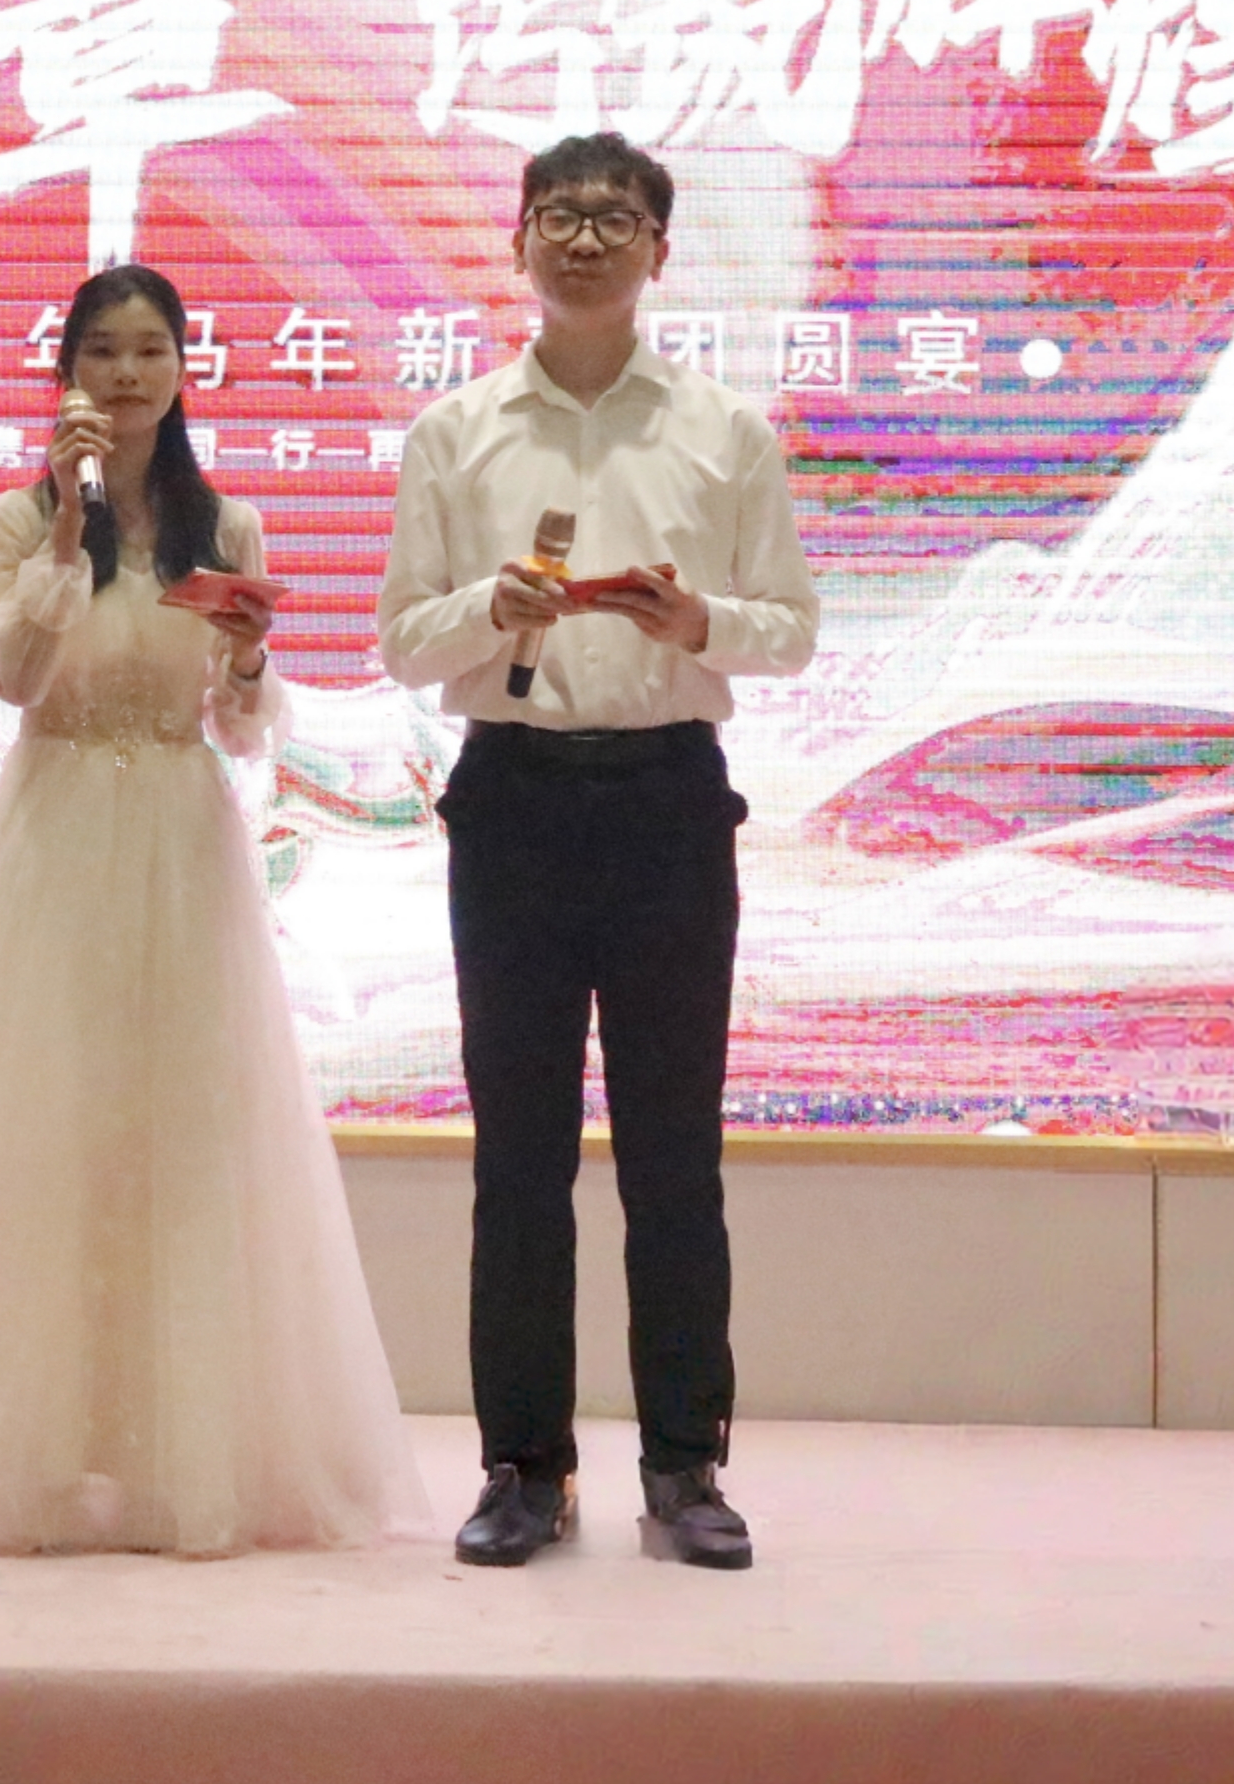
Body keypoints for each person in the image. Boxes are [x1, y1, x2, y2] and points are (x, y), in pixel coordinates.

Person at [0, 263, 424, 1556]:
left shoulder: (226, 524)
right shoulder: (6, 521)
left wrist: (249, 657)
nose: (128, 374)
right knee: (37, 1124)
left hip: (186, 840)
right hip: (57, 832)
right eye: (103, 351)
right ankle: (16, 1453)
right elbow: (12, 676)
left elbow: (243, 728)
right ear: (66, 371)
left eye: (150, 351)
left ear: (185, 370)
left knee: (187, 1130)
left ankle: (182, 1459)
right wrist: (68, 537)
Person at [377, 132, 820, 1573]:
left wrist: (700, 623)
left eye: (613, 219)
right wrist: (489, 609)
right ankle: (524, 1466)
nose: (583, 240)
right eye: (558, 216)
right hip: (509, 801)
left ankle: (685, 1466)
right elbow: (402, 641)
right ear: (517, 242)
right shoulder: (455, 430)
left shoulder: (723, 430)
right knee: (517, 1159)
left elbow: (790, 628)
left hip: (668, 805)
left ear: (657, 252)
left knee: (673, 1156)